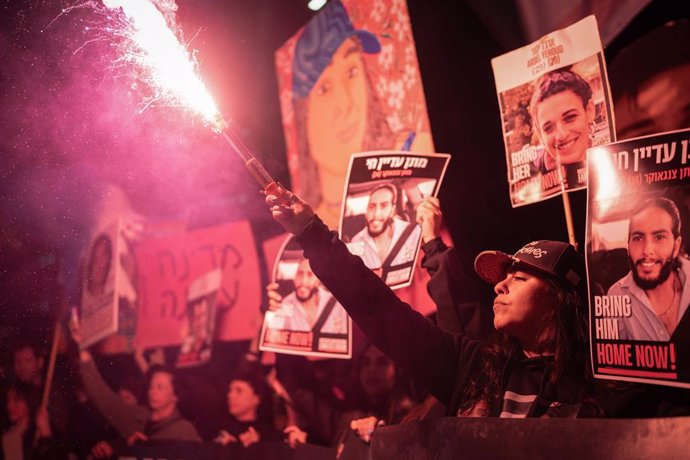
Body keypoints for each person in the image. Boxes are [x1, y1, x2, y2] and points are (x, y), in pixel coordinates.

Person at [266, 189, 598, 419]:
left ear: (559, 300)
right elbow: (380, 310)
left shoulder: (601, 383)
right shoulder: (475, 368)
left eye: (520, 279)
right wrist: (311, 233)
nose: (500, 285)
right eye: (504, 277)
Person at [290, 0, 433, 228]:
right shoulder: (311, 228)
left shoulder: (414, 151)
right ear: (302, 118)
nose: (345, 103)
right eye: (324, 88)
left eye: (352, 71)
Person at [70, 320, 201, 446]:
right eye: (151, 386)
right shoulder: (136, 418)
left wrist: (145, 448)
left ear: (175, 396)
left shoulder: (184, 431)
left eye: (160, 387)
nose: (152, 391)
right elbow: (102, 396)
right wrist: (82, 348)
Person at [607, 197, 690, 341]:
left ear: (676, 246)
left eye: (659, 237)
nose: (647, 250)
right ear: (628, 245)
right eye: (638, 238)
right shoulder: (616, 295)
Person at [530, 67, 596, 189]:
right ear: (540, 136)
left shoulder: (610, 156)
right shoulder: (532, 176)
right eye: (548, 128)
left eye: (570, 117)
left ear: (590, 111)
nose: (562, 135)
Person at [348, 183, 422, 285]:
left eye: (384, 206)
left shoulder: (413, 232)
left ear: (393, 210)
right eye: (371, 207)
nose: (376, 214)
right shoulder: (356, 240)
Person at [268, 258, 348, 340]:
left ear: (318, 281)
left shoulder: (337, 304)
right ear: (294, 277)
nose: (303, 281)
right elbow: (274, 338)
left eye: (310, 275)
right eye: (300, 274)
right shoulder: (285, 303)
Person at [214, 372, 282, 448]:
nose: (230, 395)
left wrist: (258, 446)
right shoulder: (218, 428)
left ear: (257, 398)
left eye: (239, 391)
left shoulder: (270, 435)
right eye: (230, 390)